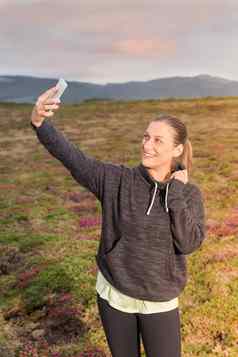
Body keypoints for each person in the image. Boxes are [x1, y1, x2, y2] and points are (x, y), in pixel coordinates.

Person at [30, 86, 206, 357]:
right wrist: (40, 123)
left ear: (177, 148)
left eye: (158, 140)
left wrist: (175, 195)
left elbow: (189, 243)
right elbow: (74, 158)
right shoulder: (117, 180)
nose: (147, 145)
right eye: (146, 137)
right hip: (115, 294)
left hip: (158, 300)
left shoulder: (189, 194)